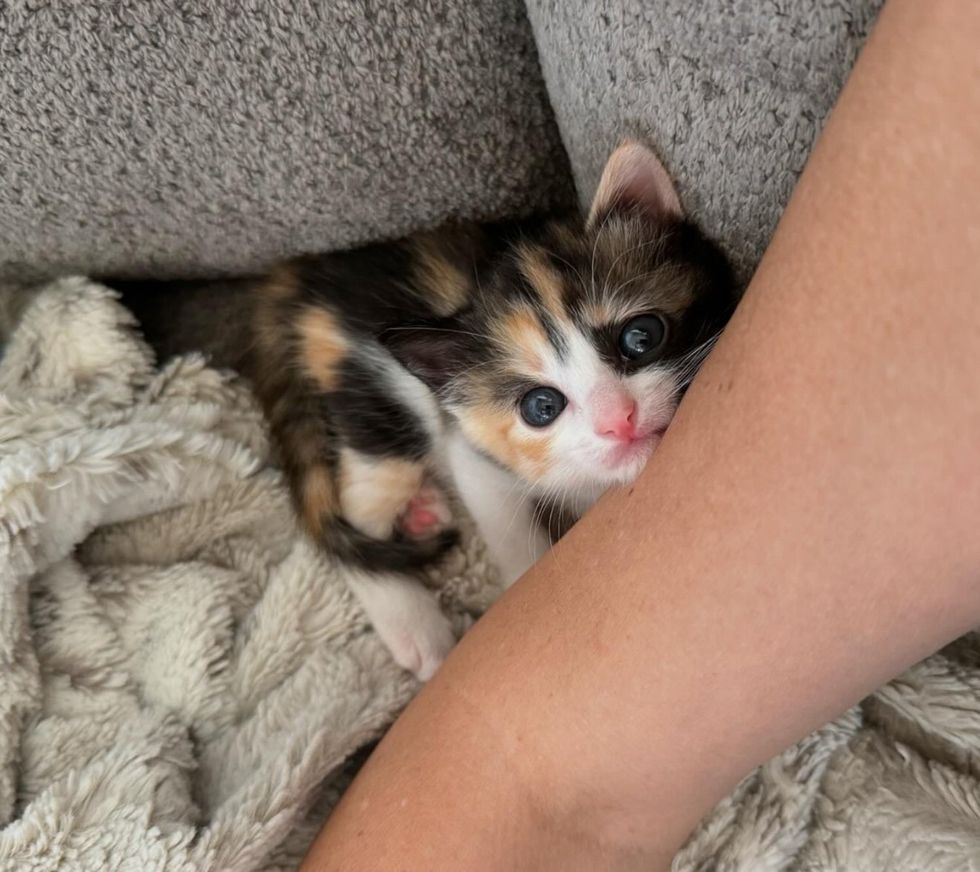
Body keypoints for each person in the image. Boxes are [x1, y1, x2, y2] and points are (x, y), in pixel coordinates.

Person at [300, 2, 980, 869]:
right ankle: (364, 543)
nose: (617, 417)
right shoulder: (477, 380)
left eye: (640, 341)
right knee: (380, 467)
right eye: (548, 405)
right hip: (393, 340)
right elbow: (480, 448)